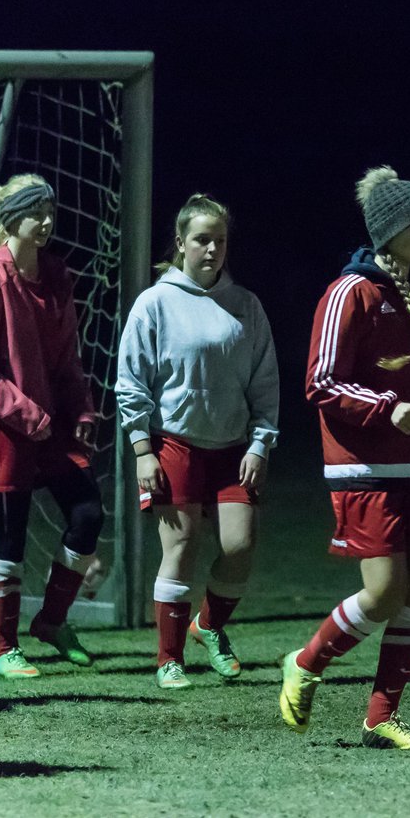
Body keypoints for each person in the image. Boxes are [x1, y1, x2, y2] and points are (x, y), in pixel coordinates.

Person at [279, 166, 410, 749]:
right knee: (385, 591)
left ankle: (381, 718)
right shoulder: (350, 292)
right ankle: (306, 662)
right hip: (367, 467)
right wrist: (387, 408)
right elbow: (320, 382)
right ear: (389, 228)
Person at [116, 194, 279, 690]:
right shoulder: (155, 303)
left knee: (240, 545)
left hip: (233, 448)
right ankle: (169, 659)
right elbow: (131, 380)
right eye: (202, 240)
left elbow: (265, 383)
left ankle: (207, 625)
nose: (212, 249)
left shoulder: (245, 306)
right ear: (181, 243)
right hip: (175, 444)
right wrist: (143, 449)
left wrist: (259, 444)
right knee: (181, 546)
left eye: (220, 240)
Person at [0, 173, 104, 678]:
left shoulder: (57, 275)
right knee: (11, 535)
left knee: (88, 513)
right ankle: (4, 650)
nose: (46, 222)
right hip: (2, 425)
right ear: (11, 220)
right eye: (35, 213)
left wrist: (81, 411)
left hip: (49, 424)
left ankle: (52, 621)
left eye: (50, 212)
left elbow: (67, 360)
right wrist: (26, 414)